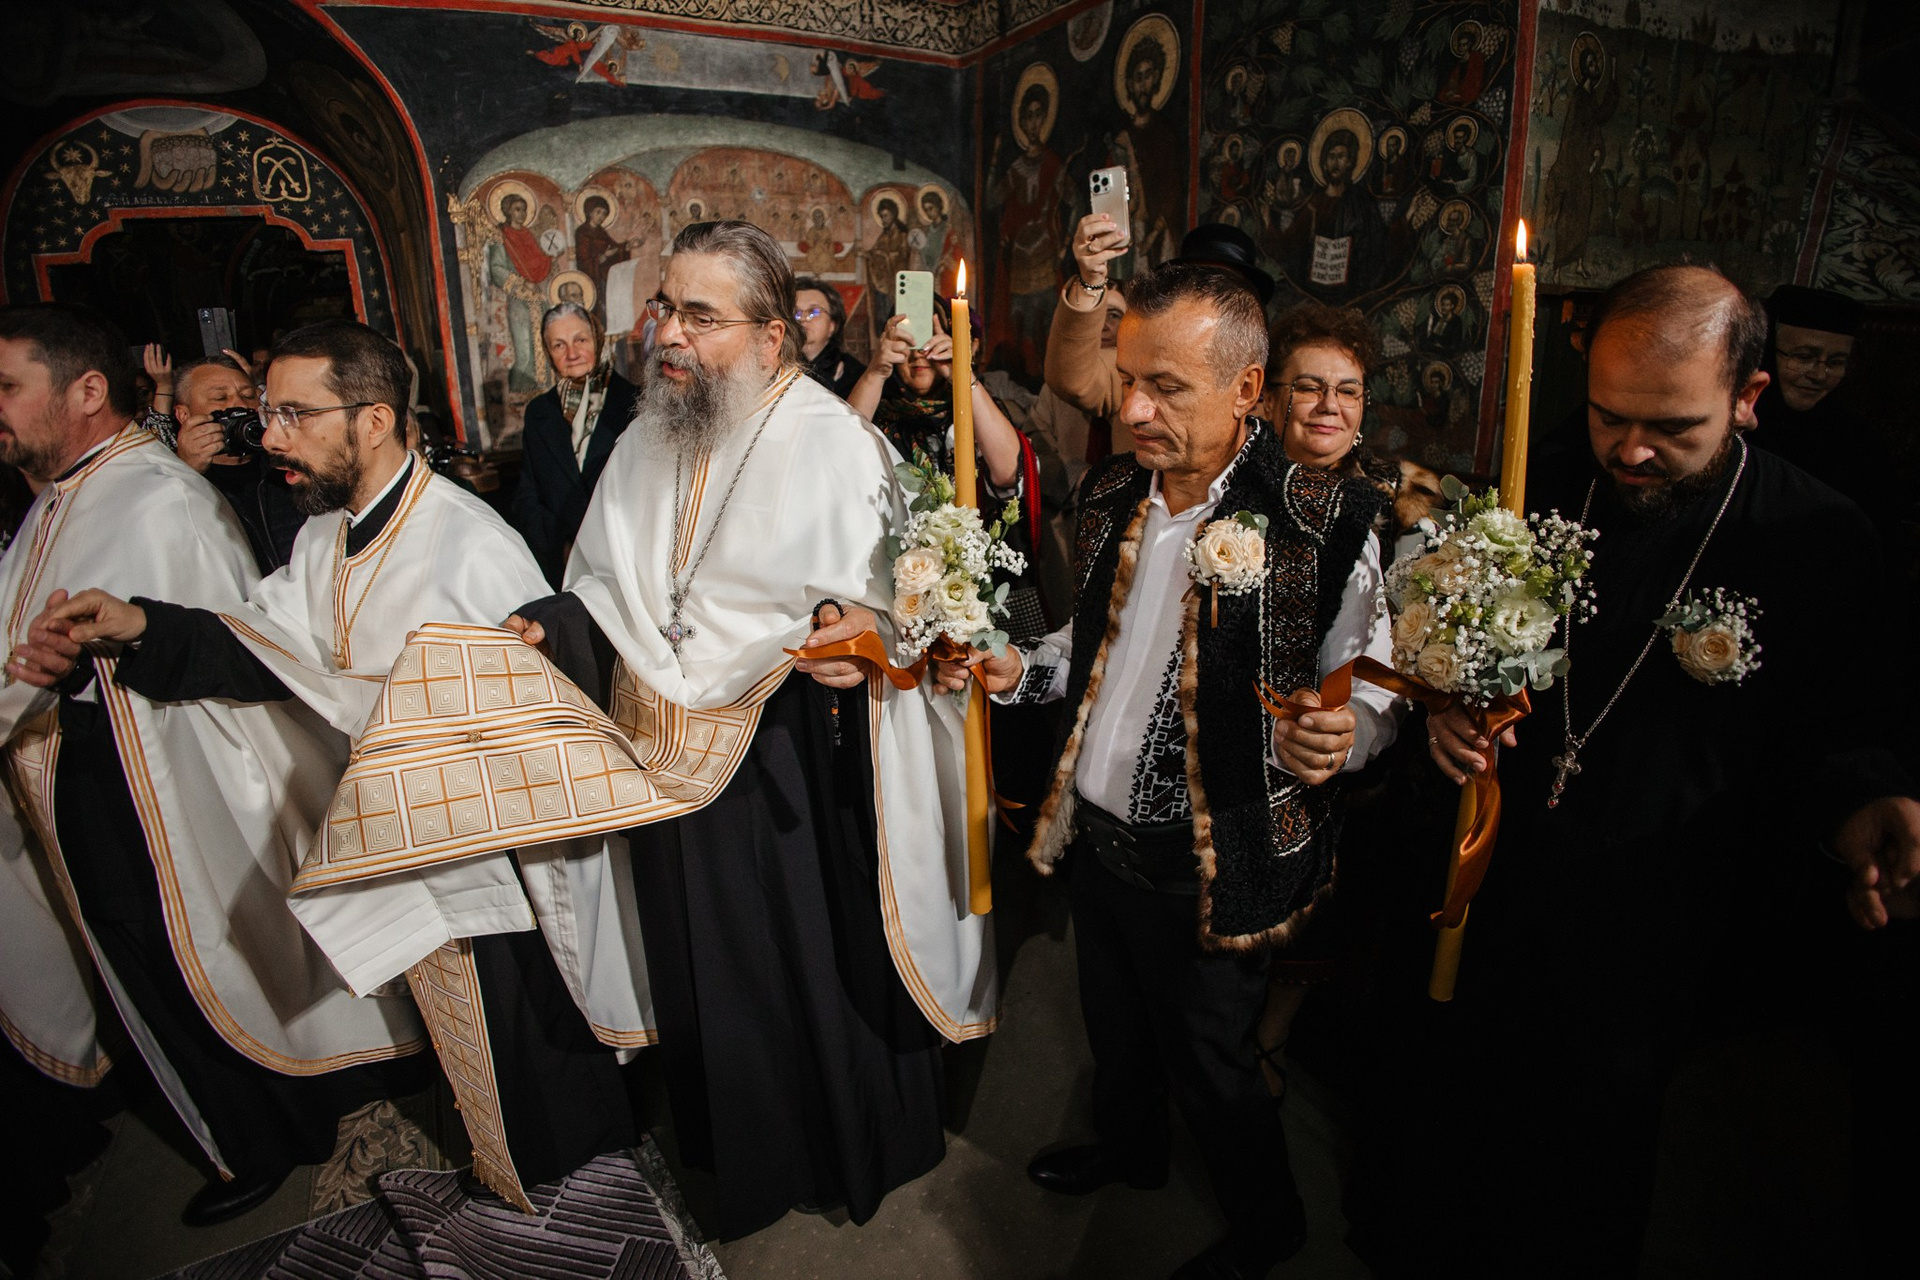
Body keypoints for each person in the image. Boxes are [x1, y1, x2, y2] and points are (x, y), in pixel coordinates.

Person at [1353, 265, 1920, 1276]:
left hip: (1652, 917)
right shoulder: (1544, 476)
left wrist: (1862, 799)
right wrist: (1446, 702)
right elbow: (1455, 635)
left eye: (1672, 427)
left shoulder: (1822, 539)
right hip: (1495, 876)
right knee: (1443, 1115)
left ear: (1749, 397)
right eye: (1610, 415)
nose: (1631, 450)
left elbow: (1845, 721)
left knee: (1581, 1160)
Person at [19, 318, 644, 1213]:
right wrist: (143, 626)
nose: (271, 438)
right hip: (402, 833)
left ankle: (567, 1182)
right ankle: (515, 1162)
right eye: (269, 413)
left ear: (375, 419)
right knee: (463, 1032)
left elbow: (544, 726)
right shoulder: (326, 538)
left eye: (295, 415)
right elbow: (264, 647)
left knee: (526, 1030)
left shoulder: (466, 542)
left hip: (489, 847)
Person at [505, 220, 995, 1239]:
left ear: (773, 338)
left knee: (799, 965)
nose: (669, 335)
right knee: (703, 968)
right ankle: (744, 1159)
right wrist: (555, 625)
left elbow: (913, 617)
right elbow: (606, 585)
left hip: (793, 763)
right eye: (665, 308)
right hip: (663, 750)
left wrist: (867, 636)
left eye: (701, 315)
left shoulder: (837, 446)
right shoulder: (647, 436)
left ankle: (838, 1147)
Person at [940, 263, 1396, 1279]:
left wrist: (1349, 733)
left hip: (1213, 855)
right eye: (1130, 379)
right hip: (1100, 841)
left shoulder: (1323, 519)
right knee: (1114, 1026)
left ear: (1247, 389)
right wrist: (1020, 666)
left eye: (1168, 387)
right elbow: (1089, 644)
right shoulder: (1114, 492)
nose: (1135, 409)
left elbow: (1373, 681)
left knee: (1213, 1062)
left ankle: (1269, 1223)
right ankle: (1132, 1149)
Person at [0, 304, 428, 1228]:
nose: (267, 434)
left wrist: (100, 659)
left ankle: (274, 1126)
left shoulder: (159, 496)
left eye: (8, 387)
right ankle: (244, 1128)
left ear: (85, 390)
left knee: (213, 948)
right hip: (91, 774)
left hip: (169, 777)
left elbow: (242, 651)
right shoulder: (58, 499)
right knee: (151, 962)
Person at [512, 302, 637, 586]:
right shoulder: (538, 412)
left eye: (580, 340)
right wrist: (560, 544)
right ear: (548, 353)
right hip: (561, 566)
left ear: (597, 339)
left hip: (622, 561)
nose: (572, 354)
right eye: (559, 345)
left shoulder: (635, 403)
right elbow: (527, 495)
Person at [169, 353, 304, 572]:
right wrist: (187, 472)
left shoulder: (288, 465)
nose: (240, 405)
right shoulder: (176, 484)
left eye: (248, 395)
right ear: (184, 414)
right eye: (220, 398)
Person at [792, 274, 861, 399]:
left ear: (832, 325)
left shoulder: (856, 374)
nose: (803, 319)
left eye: (814, 312)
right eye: (796, 313)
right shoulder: (772, 369)